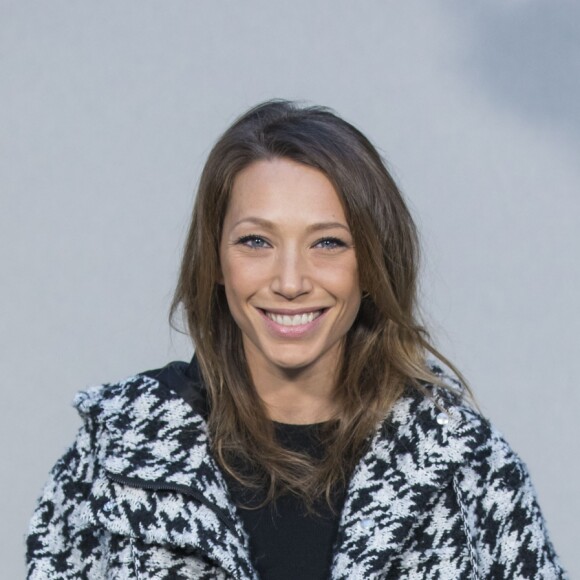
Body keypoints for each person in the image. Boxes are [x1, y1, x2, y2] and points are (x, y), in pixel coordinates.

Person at [26, 100, 566, 580]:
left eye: (328, 243)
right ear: (215, 260)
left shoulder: (463, 462)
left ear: (373, 266)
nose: (289, 281)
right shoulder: (118, 453)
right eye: (256, 241)